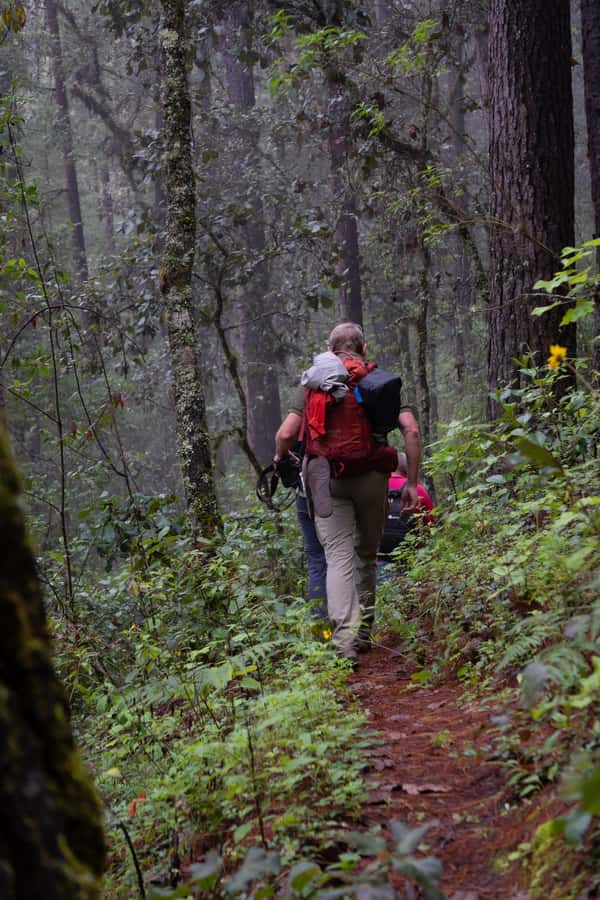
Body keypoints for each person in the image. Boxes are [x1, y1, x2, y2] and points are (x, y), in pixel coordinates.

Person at [274, 322, 421, 665]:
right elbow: (411, 429)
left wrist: (281, 457)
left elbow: (285, 434)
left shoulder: (313, 383)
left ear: (330, 349)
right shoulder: (379, 380)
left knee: (336, 557)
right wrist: (411, 483)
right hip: (372, 476)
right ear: (363, 348)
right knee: (366, 555)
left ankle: (344, 644)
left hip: (326, 478)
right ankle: (366, 634)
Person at [378, 452, 435, 562]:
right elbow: (430, 525)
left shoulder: (374, 487)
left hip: (375, 559)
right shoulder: (417, 490)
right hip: (410, 559)